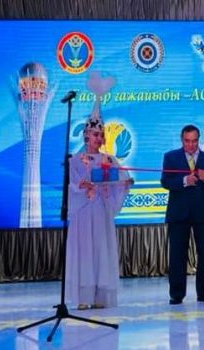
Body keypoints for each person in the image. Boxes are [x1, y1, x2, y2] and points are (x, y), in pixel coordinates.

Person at [65, 73, 132, 309]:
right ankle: (84, 298)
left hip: (101, 213)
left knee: (101, 251)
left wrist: (124, 183)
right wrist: (82, 186)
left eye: (101, 134)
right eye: (95, 134)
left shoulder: (109, 159)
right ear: (86, 135)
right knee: (85, 252)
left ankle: (100, 297)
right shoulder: (75, 160)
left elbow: (117, 180)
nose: (99, 138)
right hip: (84, 214)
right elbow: (72, 185)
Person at [161, 125, 204, 305]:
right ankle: (176, 294)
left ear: (198, 140)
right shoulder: (170, 157)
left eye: (194, 141)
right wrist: (184, 181)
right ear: (182, 140)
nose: (191, 145)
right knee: (177, 254)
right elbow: (165, 182)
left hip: (202, 214)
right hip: (178, 214)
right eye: (187, 141)